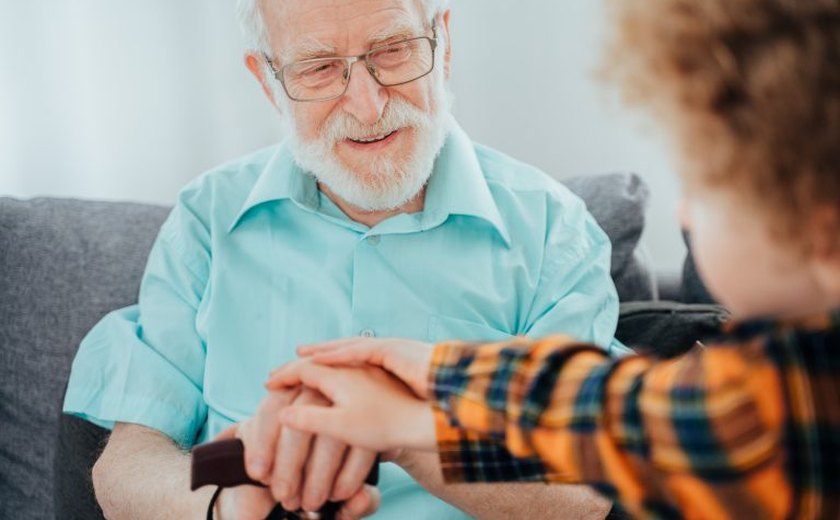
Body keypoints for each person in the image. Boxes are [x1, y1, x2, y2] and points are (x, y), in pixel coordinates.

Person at [267, 0, 840, 518]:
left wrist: (418, 409)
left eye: (706, 188)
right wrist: (434, 381)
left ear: (826, 237)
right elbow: (609, 407)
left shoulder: (787, 403)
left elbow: (628, 429)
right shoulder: (788, 372)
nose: (685, 212)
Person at [62, 0, 629, 518]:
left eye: (393, 50)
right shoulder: (207, 219)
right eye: (318, 67)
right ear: (268, 82)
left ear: (443, 46)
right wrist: (229, 508)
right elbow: (126, 467)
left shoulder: (555, 230)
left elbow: (586, 496)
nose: (366, 103)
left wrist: (406, 434)